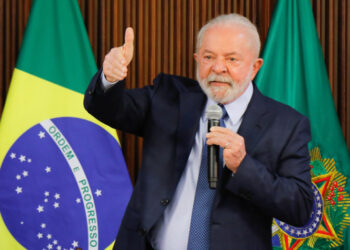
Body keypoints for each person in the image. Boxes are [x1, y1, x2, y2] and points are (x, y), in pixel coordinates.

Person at [84, 14, 313, 250]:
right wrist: (109, 78)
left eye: (232, 59)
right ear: (196, 59)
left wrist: (243, 167)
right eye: (208, 57)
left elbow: (300, 208)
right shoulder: (168, 97)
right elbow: (106, 109)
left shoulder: (286, 124)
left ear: (255, 67)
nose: (218, 68)